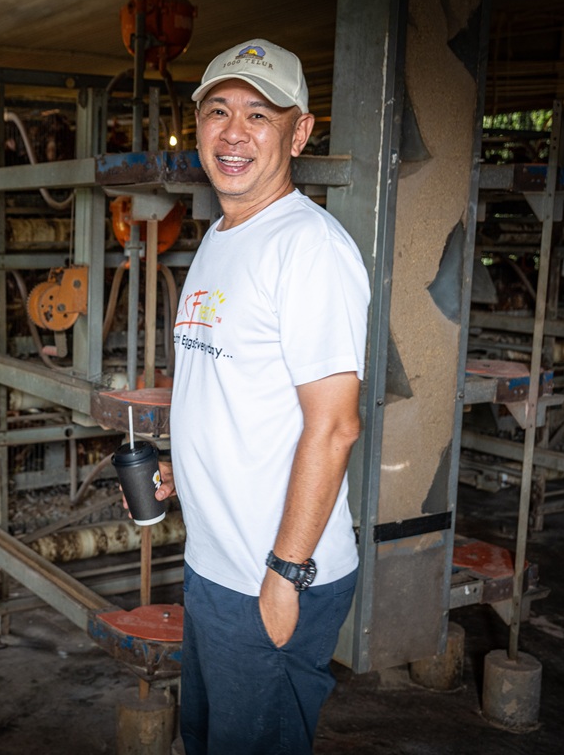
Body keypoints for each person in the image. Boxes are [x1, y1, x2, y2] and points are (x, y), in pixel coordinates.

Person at [156, 39, 371, 754]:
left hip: (271, 578)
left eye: (259, 115)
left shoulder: (308, 247)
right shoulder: (222, 237)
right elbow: (233, 392)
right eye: (218, 111)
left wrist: (285, 576)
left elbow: (335, 427)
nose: (234, 133)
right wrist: (185, 469)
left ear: (298, 133)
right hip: (214, 568)